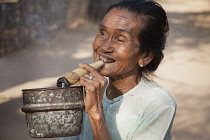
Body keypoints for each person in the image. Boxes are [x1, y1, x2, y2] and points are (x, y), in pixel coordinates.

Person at [62, 0, 176, 140]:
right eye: (102, 33)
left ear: (145, 56)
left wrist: (95, 113)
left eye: (121, 39)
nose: (104, 47)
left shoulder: (157, 104)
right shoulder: (89, 88)